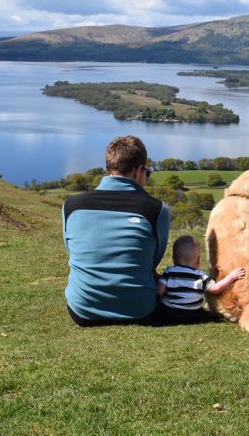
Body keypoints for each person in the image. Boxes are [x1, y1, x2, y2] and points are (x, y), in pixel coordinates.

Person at [63, 135, 170, 326]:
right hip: (140, 310)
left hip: (83, 310)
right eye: (147, 171)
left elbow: (72, 250)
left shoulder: (72, 206)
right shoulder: (156, 209)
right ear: (138, 170)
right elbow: (153, 259)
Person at [156, 235, 245, 324]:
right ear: (198, 260)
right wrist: (232, 276)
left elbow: (160, 291)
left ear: (174, 259)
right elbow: (216, 288)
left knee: (160, 310)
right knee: (204, 314)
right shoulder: (200, 276)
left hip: (170, 314)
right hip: (193, 316)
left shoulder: (169, 272)